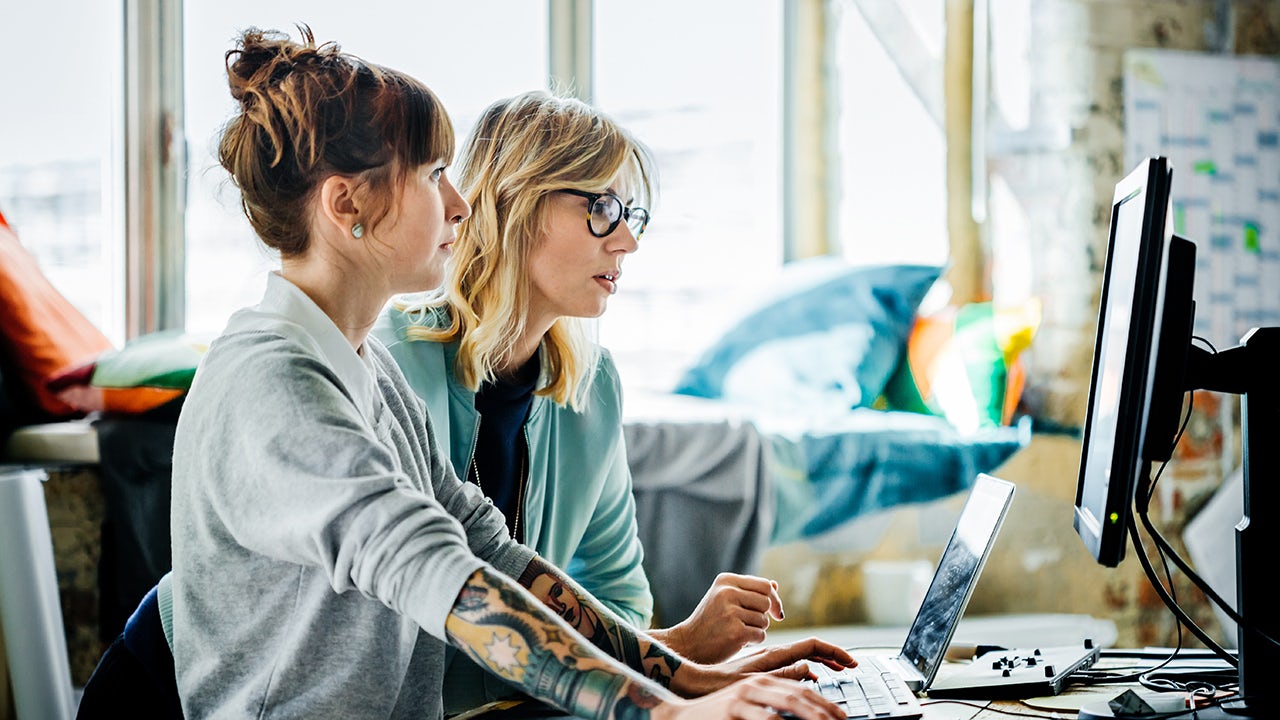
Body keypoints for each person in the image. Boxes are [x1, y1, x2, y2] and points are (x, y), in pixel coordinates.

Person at [139, 25, 851, 719]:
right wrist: (661, 712)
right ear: (346, 204)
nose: (458, 203)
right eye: (432, 175)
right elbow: (434, 571)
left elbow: (483, 548)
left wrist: (688, 679)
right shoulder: (274, 382)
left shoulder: (365, 367)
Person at [373, 90, 792, 711]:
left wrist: (677, 664)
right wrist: (677, 658)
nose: (627, 241)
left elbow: (620, 600)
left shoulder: (592, 387)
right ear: (515, 202)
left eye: (632, 215)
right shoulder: (390, 362)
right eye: (602, 207)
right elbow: (396, 637)